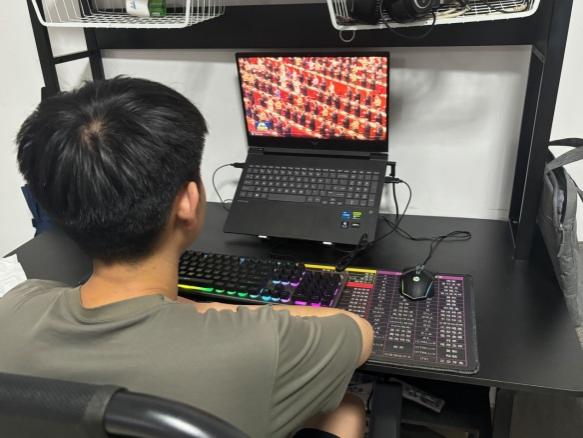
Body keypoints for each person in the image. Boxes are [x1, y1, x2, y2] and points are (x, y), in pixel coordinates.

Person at [0, 77, 373, 438]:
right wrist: (213, 309)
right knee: (347, 408)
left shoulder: (14, 308)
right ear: (188, 202)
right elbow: (358, 332)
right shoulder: (261, 346)